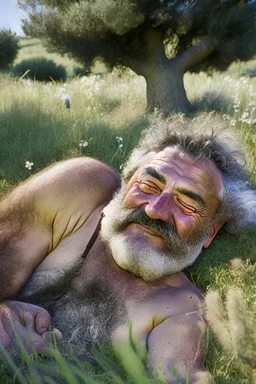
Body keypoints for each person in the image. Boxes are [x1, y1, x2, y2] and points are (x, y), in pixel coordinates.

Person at [0, 115, 255, 383]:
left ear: (210, 232)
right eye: (147, 186)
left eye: (186, 206)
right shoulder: (78, 192)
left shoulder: (182, 308)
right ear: (125, 182)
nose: (155, 210)